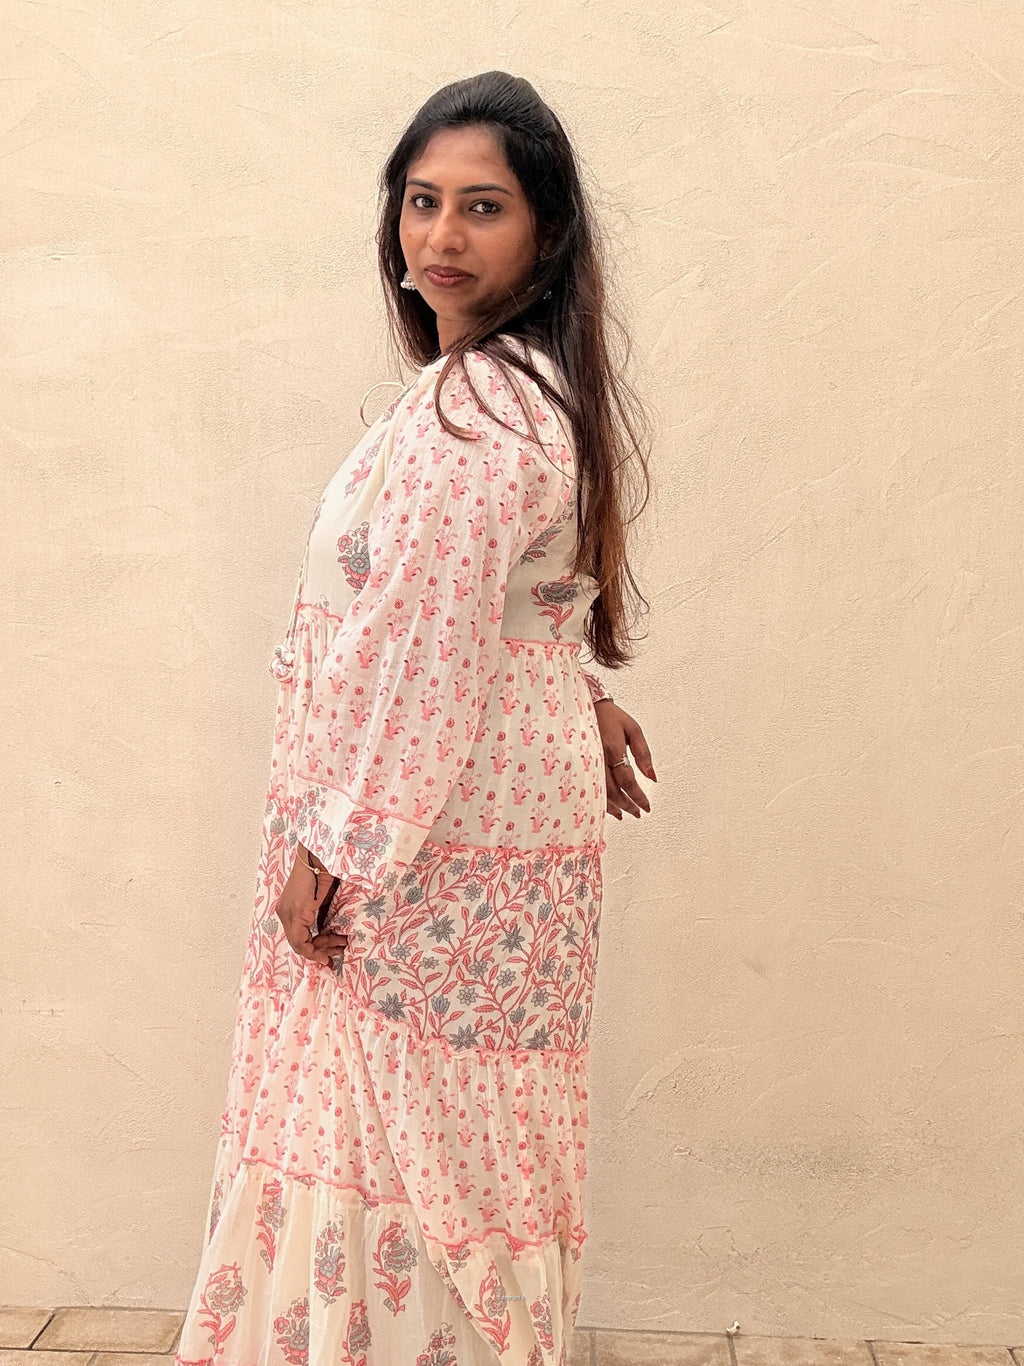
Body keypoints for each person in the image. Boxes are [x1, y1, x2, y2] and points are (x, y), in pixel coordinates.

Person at [174, 70, 655, 1366]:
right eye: (422, 201)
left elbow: (419, 649)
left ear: (547, 232)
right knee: (463, 1139)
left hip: (428, 844)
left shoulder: (476, 414)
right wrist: (579, 691)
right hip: (493, 818)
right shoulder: (523, 393)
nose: (440, 236)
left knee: (409, 1142)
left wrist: (332, 844)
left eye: (482, 207)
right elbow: (508, 604)